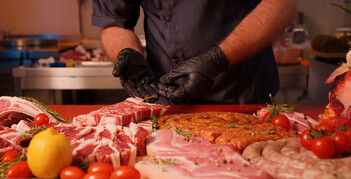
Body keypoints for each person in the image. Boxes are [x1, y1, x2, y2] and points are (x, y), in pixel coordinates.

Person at [92, 0, 298, 104]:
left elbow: (282, 5)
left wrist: (217, 59)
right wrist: (126, 52)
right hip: (163, 100)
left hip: (242, 97)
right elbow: (114, 23)